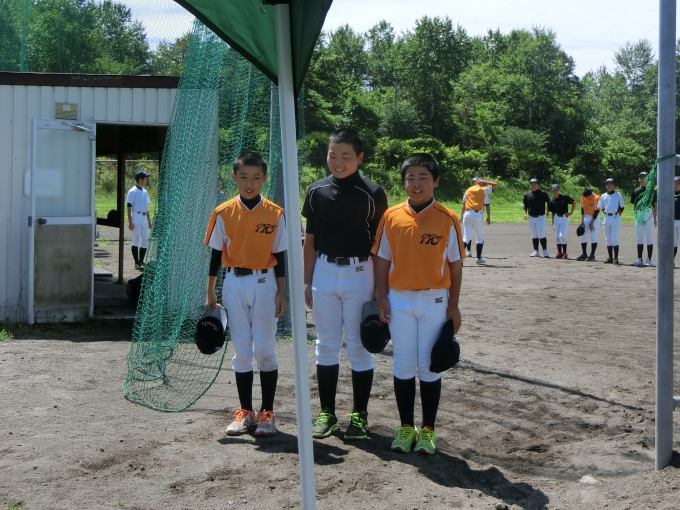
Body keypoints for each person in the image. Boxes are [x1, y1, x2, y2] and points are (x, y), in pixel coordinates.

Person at [372, 153, 464, 455]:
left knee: (429, 365)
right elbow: (382, 259)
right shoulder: (391, 216)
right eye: (410, 178)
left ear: (435, 181)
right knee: (402, 363)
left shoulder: (448, 218)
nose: (416, 183)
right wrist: (381, 296)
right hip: (398, 299)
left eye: (423, 177)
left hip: (434, 300)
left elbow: (455, 265)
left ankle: (428, 430)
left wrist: (453, 306)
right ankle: (405, 427)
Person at [302, 128, 388, 440]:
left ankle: (359, 416)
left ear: (360, 158)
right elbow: (310, 240)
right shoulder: (316, 190)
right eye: (332, 155)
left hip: (360, 272)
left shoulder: (372, 192)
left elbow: (382, 245)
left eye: (346, 156)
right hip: (324, 271)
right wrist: (306, 280)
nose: (338, 162)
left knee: (358, 345)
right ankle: (327, 414)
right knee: (326, 344)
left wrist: (381, 290)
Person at [204, 152, 287, 437]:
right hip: (234, 282)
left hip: (265, 282)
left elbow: (280, 255)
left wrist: (281, 293)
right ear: (234, 178)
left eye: (255, 178)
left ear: (265, 178)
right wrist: (210, 289)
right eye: (243, 177)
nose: (249, 184)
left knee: (264, 349)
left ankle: (267, 412)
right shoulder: (223, 211)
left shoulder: (275, 213)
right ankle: (245, 412)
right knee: (241, 350)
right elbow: (216, 253)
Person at [460, 177, 497, 264]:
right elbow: (495, 185)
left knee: (466, 237)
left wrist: (461, 215)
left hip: (467, 214)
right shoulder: (483, 189)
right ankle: (478, 258)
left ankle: (459, 258)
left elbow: (463, 203)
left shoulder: (468, 190)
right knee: (479, 237)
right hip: (477, 215)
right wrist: (485, 181)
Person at [126, 171, 153, 270]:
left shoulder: (145, 192)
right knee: (136, 240)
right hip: (136, 216)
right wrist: (130, 221)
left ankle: (141, 261)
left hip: (144, 217)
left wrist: (149, 220)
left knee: (145, 239)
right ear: (140, 179)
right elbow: (129, 207)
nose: (146, 180)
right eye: (145, 178)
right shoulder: (132, 191)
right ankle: (136, 262)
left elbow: (146, 207)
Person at [630, 171, 657, 267]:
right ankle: (639, 259)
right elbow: (634, 204)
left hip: (648, 213)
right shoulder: (635, 191)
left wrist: (655, 218)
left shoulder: (651, 191)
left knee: (649, 237)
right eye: (640, 177)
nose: (642, 179)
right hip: (638, 213)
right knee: (639, 237)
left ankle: (649, 259)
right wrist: (636, 215)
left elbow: (655, 205)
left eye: (644, 178)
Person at [596, 178, 625, 264]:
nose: (609, 186)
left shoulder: (618, 195)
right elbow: (601, 207)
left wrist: (618, 215)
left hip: (615, 217)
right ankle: (610, 257)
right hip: (606, 217)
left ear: (614, 185)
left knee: (614, 238)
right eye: (607, 184)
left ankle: (616, 258)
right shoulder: (603, 196)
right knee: (608, 239)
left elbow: (622, 207)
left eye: (611, 184)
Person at [522, 178, 551, 257]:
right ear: (530, 186)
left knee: (541, 233)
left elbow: (549, 202)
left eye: (535, 185)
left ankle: (545, 250)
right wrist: (525, 213)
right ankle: (536, 251)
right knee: (534, 234)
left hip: (540, 217)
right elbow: (525, 205)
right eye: (532, 185)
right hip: (531, 217)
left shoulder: (542, 193)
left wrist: (548, 211)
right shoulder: (527, 195)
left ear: (538, 185)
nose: (533, 186)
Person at [548, 184, 576, 259]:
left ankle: (565, 252)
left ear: (559, 190)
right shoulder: (552, 201)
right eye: (553, 190)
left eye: (556, 189)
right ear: (551, 191)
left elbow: (574, 202)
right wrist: (552, 223)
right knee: (557, 236)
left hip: (564, 217)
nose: (555, 191)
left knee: (562, 236)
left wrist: (571, 213)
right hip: (556, 218)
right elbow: (552, 212)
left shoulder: (564, 197)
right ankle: (559, 252)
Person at [576, 187, 601, 261]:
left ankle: (592, 254)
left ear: (590, 194)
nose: (586, 198)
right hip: (586, 216)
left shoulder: (596, 198)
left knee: (593, 235)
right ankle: (584, 254)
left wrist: (592, 223)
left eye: (587, 197)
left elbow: (596, 211)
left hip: (594, 218)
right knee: (582, 235)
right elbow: (582, 209)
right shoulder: (584, 197)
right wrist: (582, 219)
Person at [674, 176, 680, 261]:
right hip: (673, 221)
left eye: (678, 183)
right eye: (674, 183)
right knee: (673, 243)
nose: (675, 185)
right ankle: (672, 261)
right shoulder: (670, 194)